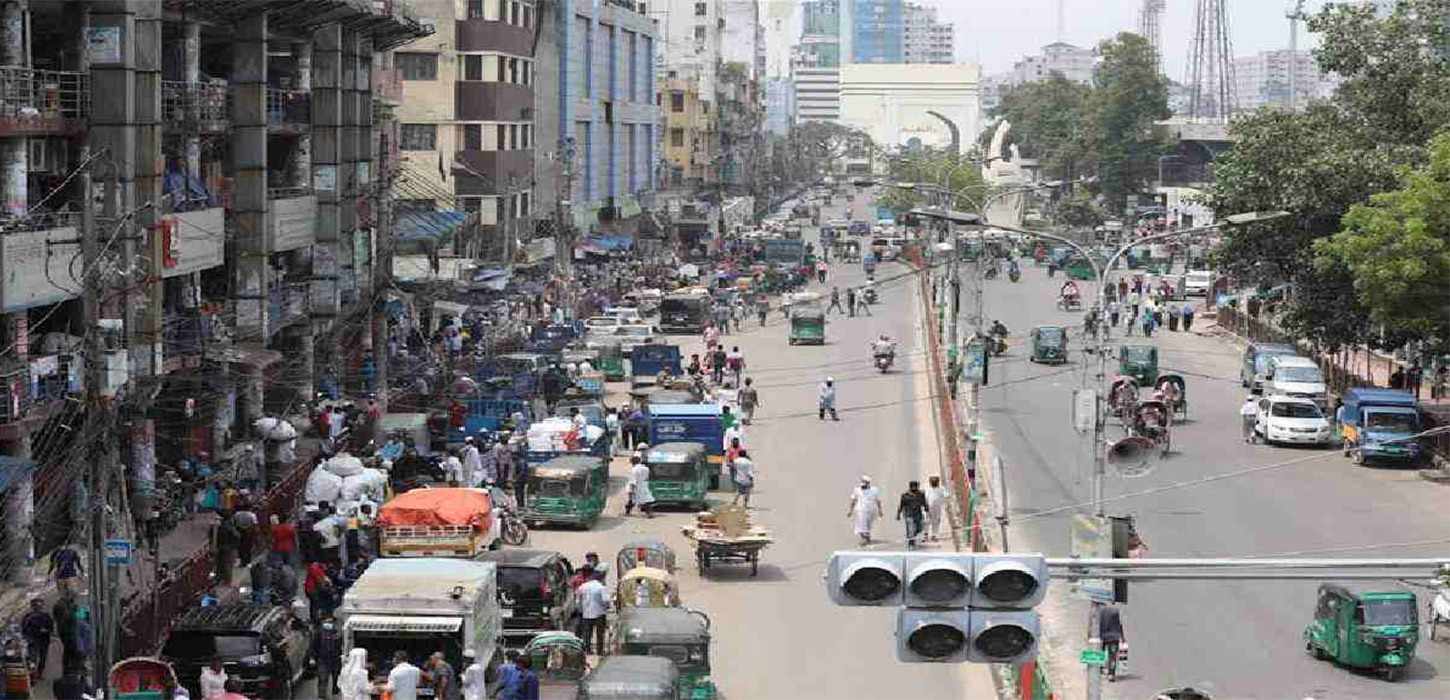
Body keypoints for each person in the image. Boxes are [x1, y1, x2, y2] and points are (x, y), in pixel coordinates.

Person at [577, 569, 610, 656]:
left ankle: (587, 650)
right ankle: (600, 651)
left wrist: (581, 610)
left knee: (587, 633)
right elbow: (606, 600)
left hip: (586, 614)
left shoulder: (582, 586)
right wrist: (607, 608)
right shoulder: (601, 587)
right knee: (600, 634)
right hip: (599, 614)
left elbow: (578, 601)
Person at [21, 598, 53, 680]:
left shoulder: (45, 616)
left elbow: (50, 628)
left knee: (40, 659)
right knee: (34, 659)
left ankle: (38, 674)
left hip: (42, 641)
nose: (38, 607)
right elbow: (25, 630)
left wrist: (47, 631)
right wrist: (40, 631)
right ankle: (34, 675)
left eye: (39, 605)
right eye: (37, 606)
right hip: (35, 641)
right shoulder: (29, 617)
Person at [848, 476, 883, 545]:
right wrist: (850, 510)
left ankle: (867, 536)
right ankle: (863, 539)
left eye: (864, 486)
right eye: (862, 486)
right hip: (860, 510)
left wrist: (880, 510)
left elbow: (878, 501)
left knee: (868, 525)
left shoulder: (874, 490)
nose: (863, 487)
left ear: (868, 484)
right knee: (861, 525)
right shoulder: (857, 490)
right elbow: (853, 500)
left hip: (871, 510)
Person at [897, 481, 928, 549]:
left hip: (918, 514)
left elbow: (924, 503)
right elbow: (901, 505)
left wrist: (926, 509)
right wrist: (898, 514)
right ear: (910, 487)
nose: (915, 488)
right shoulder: (905, 495)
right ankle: (911, 543)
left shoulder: (921, 494)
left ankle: (912, 537)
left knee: (919, 529)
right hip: (909, 514)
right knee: (910, 529)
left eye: (916, 486)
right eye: (913, 486)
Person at [1099, 604, 1126, 682]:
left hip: (1101, 636)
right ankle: (1111, 674)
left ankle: (1099, 669)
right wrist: (1122, 637)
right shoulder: (1115, 611)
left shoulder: (1098, 611)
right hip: (1114, 637)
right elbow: (1119, 625)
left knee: (1100, 653)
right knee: (1112, 656)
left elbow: (1093, 624)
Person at [925, 476, 948, 542]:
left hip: (933, 508)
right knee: (932, 522)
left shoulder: (940, 489)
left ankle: (931, 535)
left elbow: (926, 498)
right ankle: (930, 535)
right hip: (933, 508)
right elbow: (946, 496)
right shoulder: (941, 489)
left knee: (931, 522)